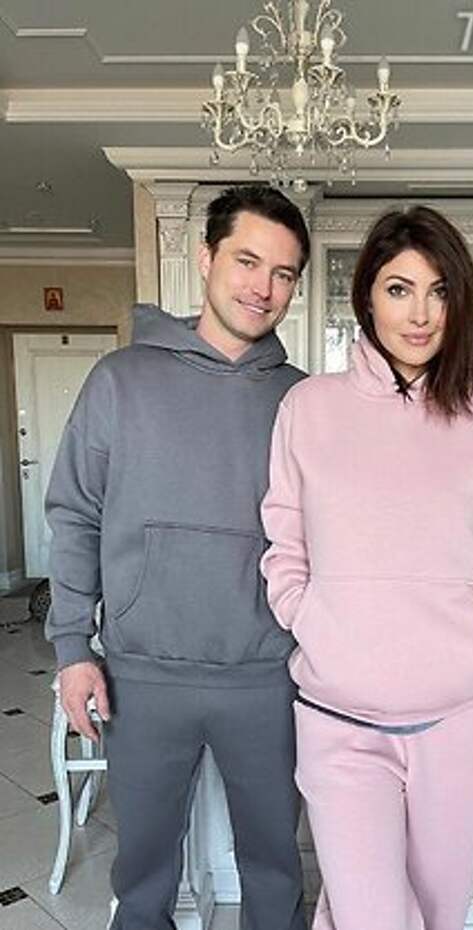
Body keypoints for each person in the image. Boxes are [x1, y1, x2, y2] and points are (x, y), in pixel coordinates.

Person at [261, 205, 473, 930]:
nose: (420, 314)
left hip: (462, 718)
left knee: (440, 914)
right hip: (339, 719)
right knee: (372, 915)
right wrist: (306, 612)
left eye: (439, 291)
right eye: (399, 289)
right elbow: (284, 538)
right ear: (366, 297)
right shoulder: (308, 408)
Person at [45, 185, 311, 930]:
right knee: (143, 877)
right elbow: (74, 514)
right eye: (247, 261)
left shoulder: (304, 403)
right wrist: (73, 649)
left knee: (275, 868)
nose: (263, 287)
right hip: (142, 673)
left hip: (268, 674)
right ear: (205, 258)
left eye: (284, 273)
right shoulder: (119, 381)